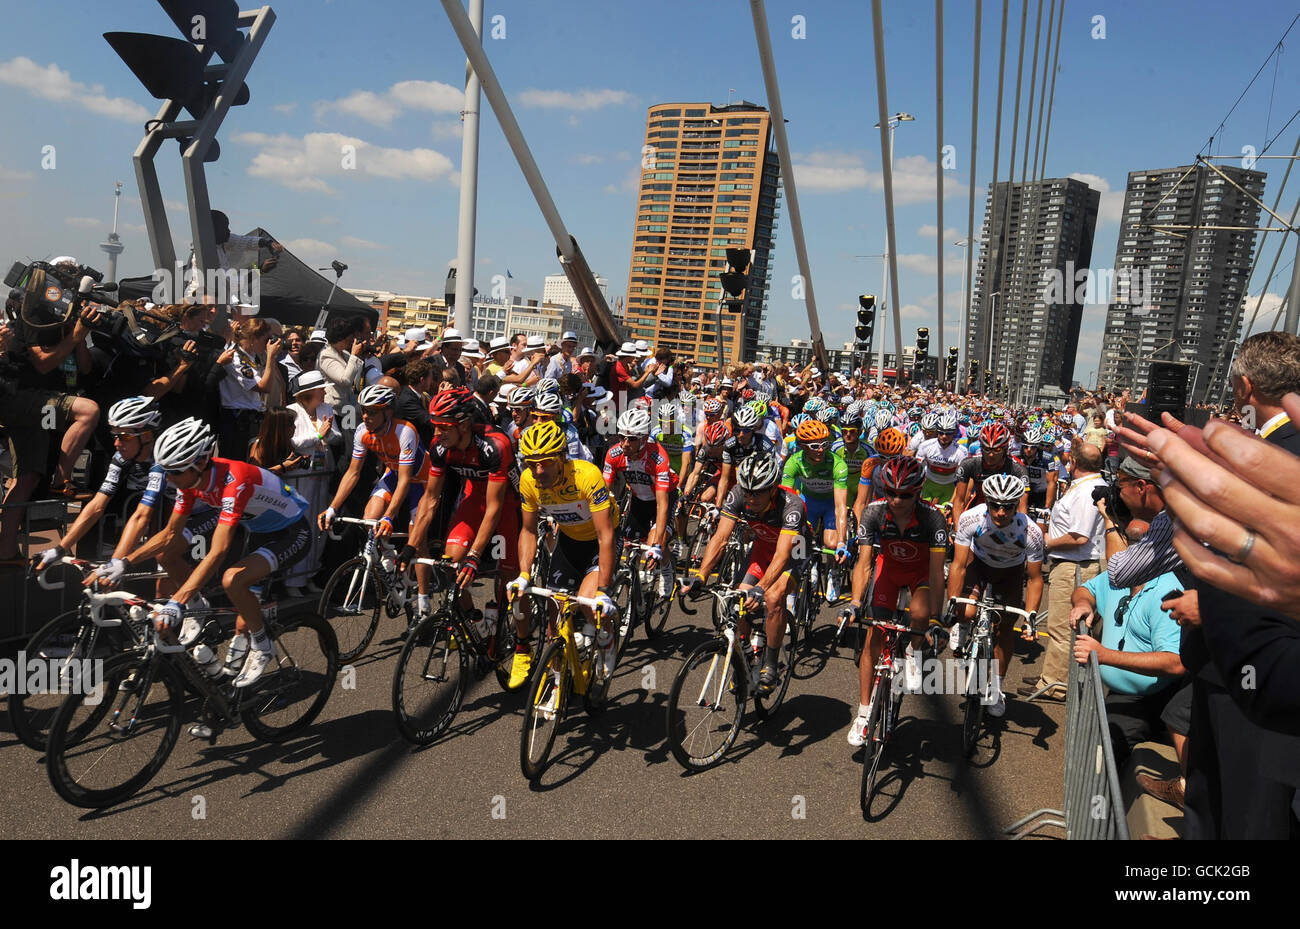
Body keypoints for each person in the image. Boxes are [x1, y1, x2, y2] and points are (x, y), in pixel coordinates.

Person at [111, 417, 312, 687]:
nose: (168, 479)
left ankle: (264, 646)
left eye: (175, 472)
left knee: (233, 580)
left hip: (292, 533)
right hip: (260, 534)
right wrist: (123, 563)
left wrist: (177, 601)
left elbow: (217, 552)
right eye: (166, 471)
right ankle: (229, 674)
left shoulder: (234, 481)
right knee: (239, 619)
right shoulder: (191, 482)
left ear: (200, 463)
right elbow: (170, 535)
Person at [843, 457, 949, 745]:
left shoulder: (933, 518)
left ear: (919, 491)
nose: (897, 500)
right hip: (888, 572)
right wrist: (854, 602)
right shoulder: (873, 513)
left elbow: (937, 573)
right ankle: (864, 713)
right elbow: (864, 563)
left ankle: (914, 656)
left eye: (905, 495)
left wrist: (936, 618)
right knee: (873, 637)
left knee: (918, 615)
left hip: (921, 575)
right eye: (891, 492)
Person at [508, 421, 620, 686]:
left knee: (586, 601)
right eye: (530, 462)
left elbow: (606, 536)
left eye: (544, 462)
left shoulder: (586, 476)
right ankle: (558, 682)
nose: (537, 471)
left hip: (598, 542)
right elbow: (528, 531)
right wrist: (524, 574)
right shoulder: (528, 480)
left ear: (562, 458)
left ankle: (606, 640)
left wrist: (603, 589)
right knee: (554, 614)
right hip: (569, 541)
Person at [404, 387, 520, 642]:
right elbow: (431, 499)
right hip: (473, 502)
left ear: (464, 425)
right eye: (435, 426)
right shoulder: (440, 446)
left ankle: (508, 630)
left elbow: (495, 507)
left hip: (506, 506)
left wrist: (476, 556)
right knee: (451, 564)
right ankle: (473, 619)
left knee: (508, 578)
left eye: (443, 427)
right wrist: (411, 547)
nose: (436, 434)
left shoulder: (495, 445)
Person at [686, 454, 804, 695]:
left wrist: (760, 588)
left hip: (793, 553)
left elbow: (782, 556)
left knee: (772, 597)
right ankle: (745, 659)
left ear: (772, 489)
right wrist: (701, 576)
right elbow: (720, 537)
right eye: (747, 491)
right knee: (738, 598)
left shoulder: (792, 505)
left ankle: (770, 662)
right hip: (762, 550)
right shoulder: (738, 495)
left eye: (757, 492)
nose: (750, 498)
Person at [945, 473, 1044, 717]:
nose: (1001, 512)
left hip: (1010, 575)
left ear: (1017, 505)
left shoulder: (1030, 532)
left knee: (1005, 631)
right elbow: (957, 565)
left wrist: (1030, 617)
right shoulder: (971, 519)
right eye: (995, 505)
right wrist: (953, 603)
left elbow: (1034, 578)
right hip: (978, 566)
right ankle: (964, 627)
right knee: (966, 612)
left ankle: (997, 689)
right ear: (987, 502)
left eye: (1008, 507)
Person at [34, 398, 166, 578]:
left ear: (147, 436)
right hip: (163, 514)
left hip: (197, 514)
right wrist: (60, 548)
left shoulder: (162, 460)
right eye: (115, 436)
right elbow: (97, 505)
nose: (117, 443)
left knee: (166, 571)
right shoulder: (120, 458)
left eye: (124, 436)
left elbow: (142, 516)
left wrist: (115, 562)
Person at [1069, 568, 1187, 770]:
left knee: (1098, 758)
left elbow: (1175, 663)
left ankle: (1101, 801)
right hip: (1120, 695)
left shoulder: (1167, 590)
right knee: (1089, 749)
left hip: (1149, 699)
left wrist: (1105, 655)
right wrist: (1083, 603)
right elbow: (1086, 589)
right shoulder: (1122, 572)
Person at [1020, 440, 1107, 700]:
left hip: (1074, 565)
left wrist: (1046, 542)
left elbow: (1079, 536)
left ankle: (1056, 684)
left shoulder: (1086, 491)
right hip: (1071, 563)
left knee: (1060, 627)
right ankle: (1052, 674)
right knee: (1061, 627)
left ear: (1075, 463)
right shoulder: (1088, 486)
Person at [603, 408, 677, 597]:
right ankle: (633, 596)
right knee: (630, 547)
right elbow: (604, 494)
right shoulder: (614, 454)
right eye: (621, 437)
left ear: (644, 438)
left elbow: (662, 505)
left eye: (632, 439)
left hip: (662, 500)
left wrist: (658, 546)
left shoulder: (657, 458)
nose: (625, 444)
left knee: (654, 544)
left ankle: (667, 570)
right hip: (638, 500)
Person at [285, 370, 340, 593]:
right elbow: (293, 442)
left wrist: (326, 434)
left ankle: (309, 575)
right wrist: (318, 435)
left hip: (322, 472)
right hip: (300, 477)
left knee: (319, 523)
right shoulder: (292, 411)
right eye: (321, 389)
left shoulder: (326, 409)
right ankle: (292, 580)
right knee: (300, 524)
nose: (325, 391)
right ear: (309, 393)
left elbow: (335, 436)